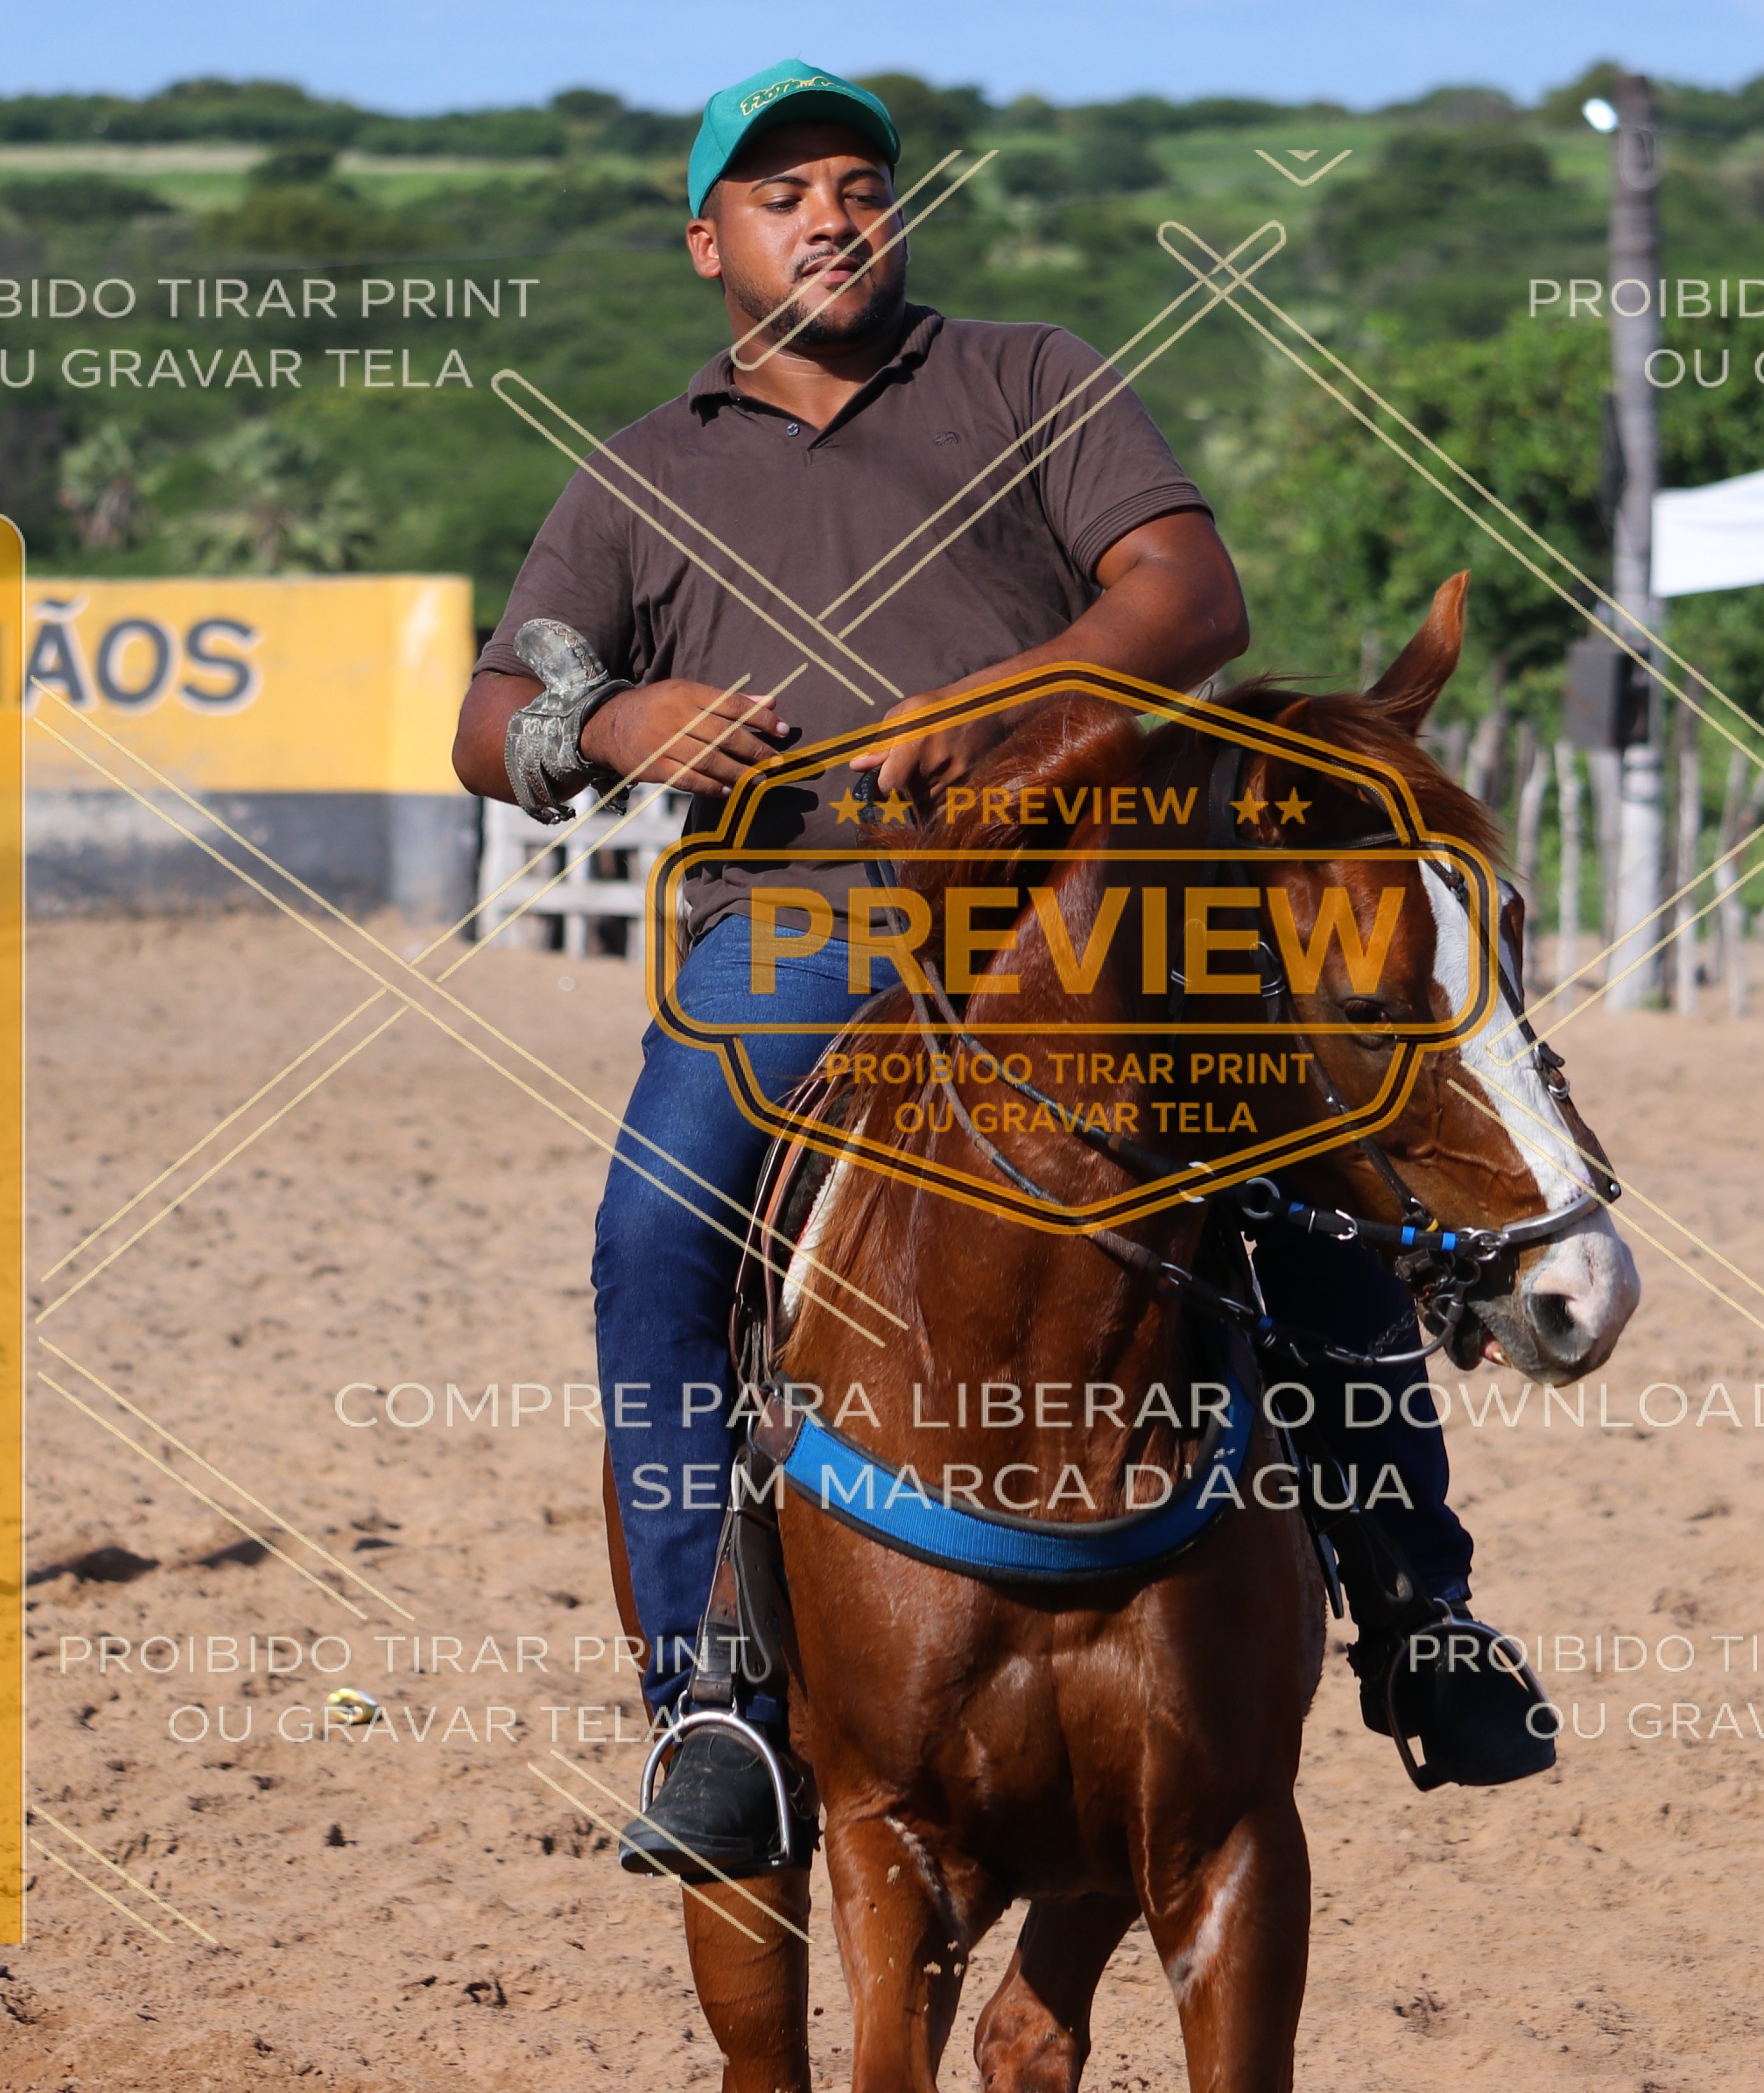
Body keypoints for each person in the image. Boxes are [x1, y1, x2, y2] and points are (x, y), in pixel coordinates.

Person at [451, 60, 1550, 1881]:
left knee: (1310, 1180)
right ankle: (713, 1695)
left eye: (858, 185)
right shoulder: (643, 475)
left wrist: (1010, 711)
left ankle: (1421, 1610)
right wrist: (617, 719)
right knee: (660, 1233)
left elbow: (1191, 600)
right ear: (710, 242)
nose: (830, 216)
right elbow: (489, 723)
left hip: (1084, 914)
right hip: (803, 925)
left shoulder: (1030, 378)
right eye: (782, 194)